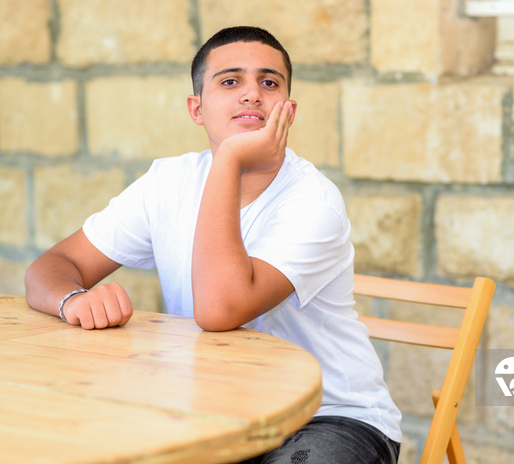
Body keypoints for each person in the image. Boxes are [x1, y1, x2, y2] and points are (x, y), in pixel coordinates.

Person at [25, 26, 401, 463]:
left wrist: (229, 159)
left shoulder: (313, 200)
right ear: (196, 109)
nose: (251, 95)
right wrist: (72, 300)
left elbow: (219, 309)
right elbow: (51, 265)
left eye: (269, 82)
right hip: (212, 411)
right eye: (229, 81)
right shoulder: (167, 183)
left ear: (288, 110)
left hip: (328, 416)